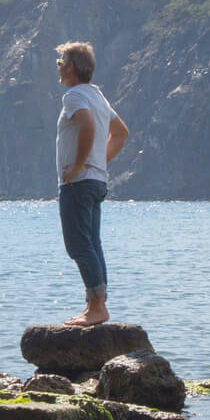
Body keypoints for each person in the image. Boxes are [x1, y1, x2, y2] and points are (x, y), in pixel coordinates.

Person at [53, 41, 129, 326]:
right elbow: (121, 133)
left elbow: (87, 125)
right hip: (95, 181)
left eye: (60, 63)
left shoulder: (74, 96)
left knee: (78, 244)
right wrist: (98, 162)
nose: (58, 68)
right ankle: (95, 305)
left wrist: (81, 165)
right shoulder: (98, 96)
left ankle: (97, 308)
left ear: (71, 67)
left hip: (80, 182)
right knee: (92, 244)